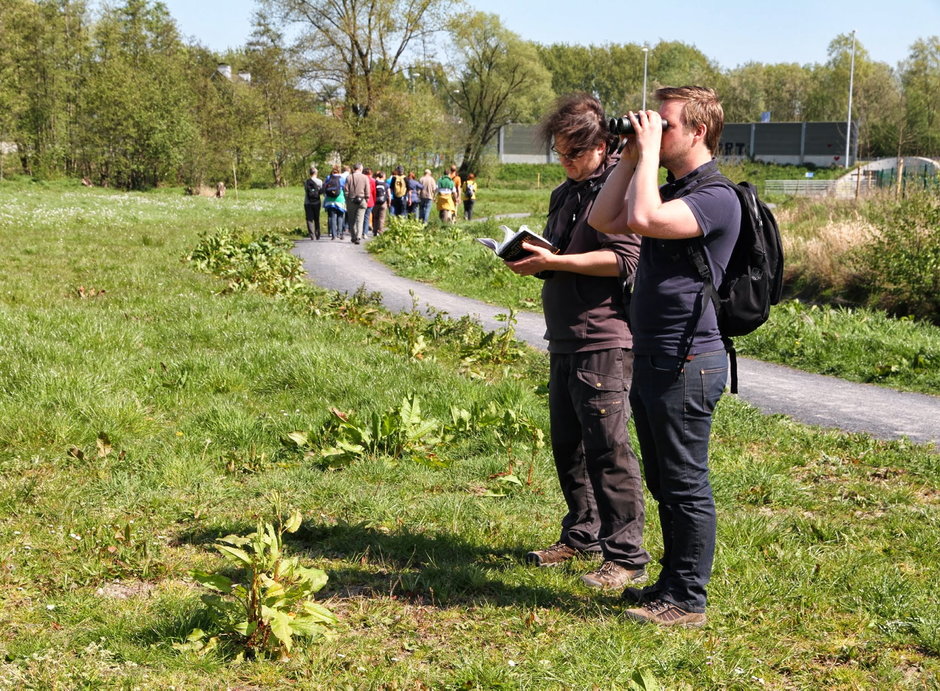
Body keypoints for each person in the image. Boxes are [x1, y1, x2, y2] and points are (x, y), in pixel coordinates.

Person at [589, 86, 741, 628]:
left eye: (664, 123)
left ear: (698, 131)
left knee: (685, 481)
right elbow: (609, 219)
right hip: (655, 355)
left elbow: (645, 218)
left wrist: (646, 155)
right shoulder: (673, 187)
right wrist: (631, 155)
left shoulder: (717, 196)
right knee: (663, 479)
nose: (652, 129)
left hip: (688, 360)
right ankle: (671, 583)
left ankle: (688, 600)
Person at [504, 93, 649, 592]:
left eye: (574, 153)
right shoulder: (566, 191)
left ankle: (626, 555)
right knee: (569, 446)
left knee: (608, 449)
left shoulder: (621, 186)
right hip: (564, 336)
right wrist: (536, 256)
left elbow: (625, 260)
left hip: (604, 338)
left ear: (604, 144)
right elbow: (564, 253)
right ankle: (582, 534)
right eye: (559, 153)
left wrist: (557, 263)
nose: (564, 162)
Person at [344, 163, 370, 245]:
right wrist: (367, 198)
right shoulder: (365, 177)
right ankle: (358, 236)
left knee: (351, 220)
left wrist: (347, 198)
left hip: (351, 200)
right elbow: (367, 189)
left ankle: (353, 236)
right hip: (362, 200)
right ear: (360, 169)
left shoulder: (349, 177)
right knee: (360, 219)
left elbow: (346, 190)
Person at [322, 165, 346, 241]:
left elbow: (324, 188)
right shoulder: (342, 179)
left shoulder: (328, 178)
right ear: (339, 171)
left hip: (330, 200)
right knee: (340, 217)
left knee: (332, 217)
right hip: (340, 200)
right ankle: (339, 233)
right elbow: (345, 188)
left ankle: (333, 235)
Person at [303, 165, 323, 240]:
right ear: (316, 173)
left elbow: (305, 190)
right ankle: (317, 233)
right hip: (317, 202)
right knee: (316, 218)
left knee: (309, 218)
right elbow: (321, 191)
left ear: (310, 173)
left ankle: (312, 235)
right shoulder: (320, 181)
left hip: (307, 202)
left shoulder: (306, 182)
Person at [363, 167, 376, 238]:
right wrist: (374, 200)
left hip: (361, 199)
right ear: (370, 173)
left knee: (360, 216)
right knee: (367, 217)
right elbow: (374, 192)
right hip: (370, 200)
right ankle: (365, 233)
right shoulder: (373, 180)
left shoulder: (361, 179)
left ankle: (360, 231)